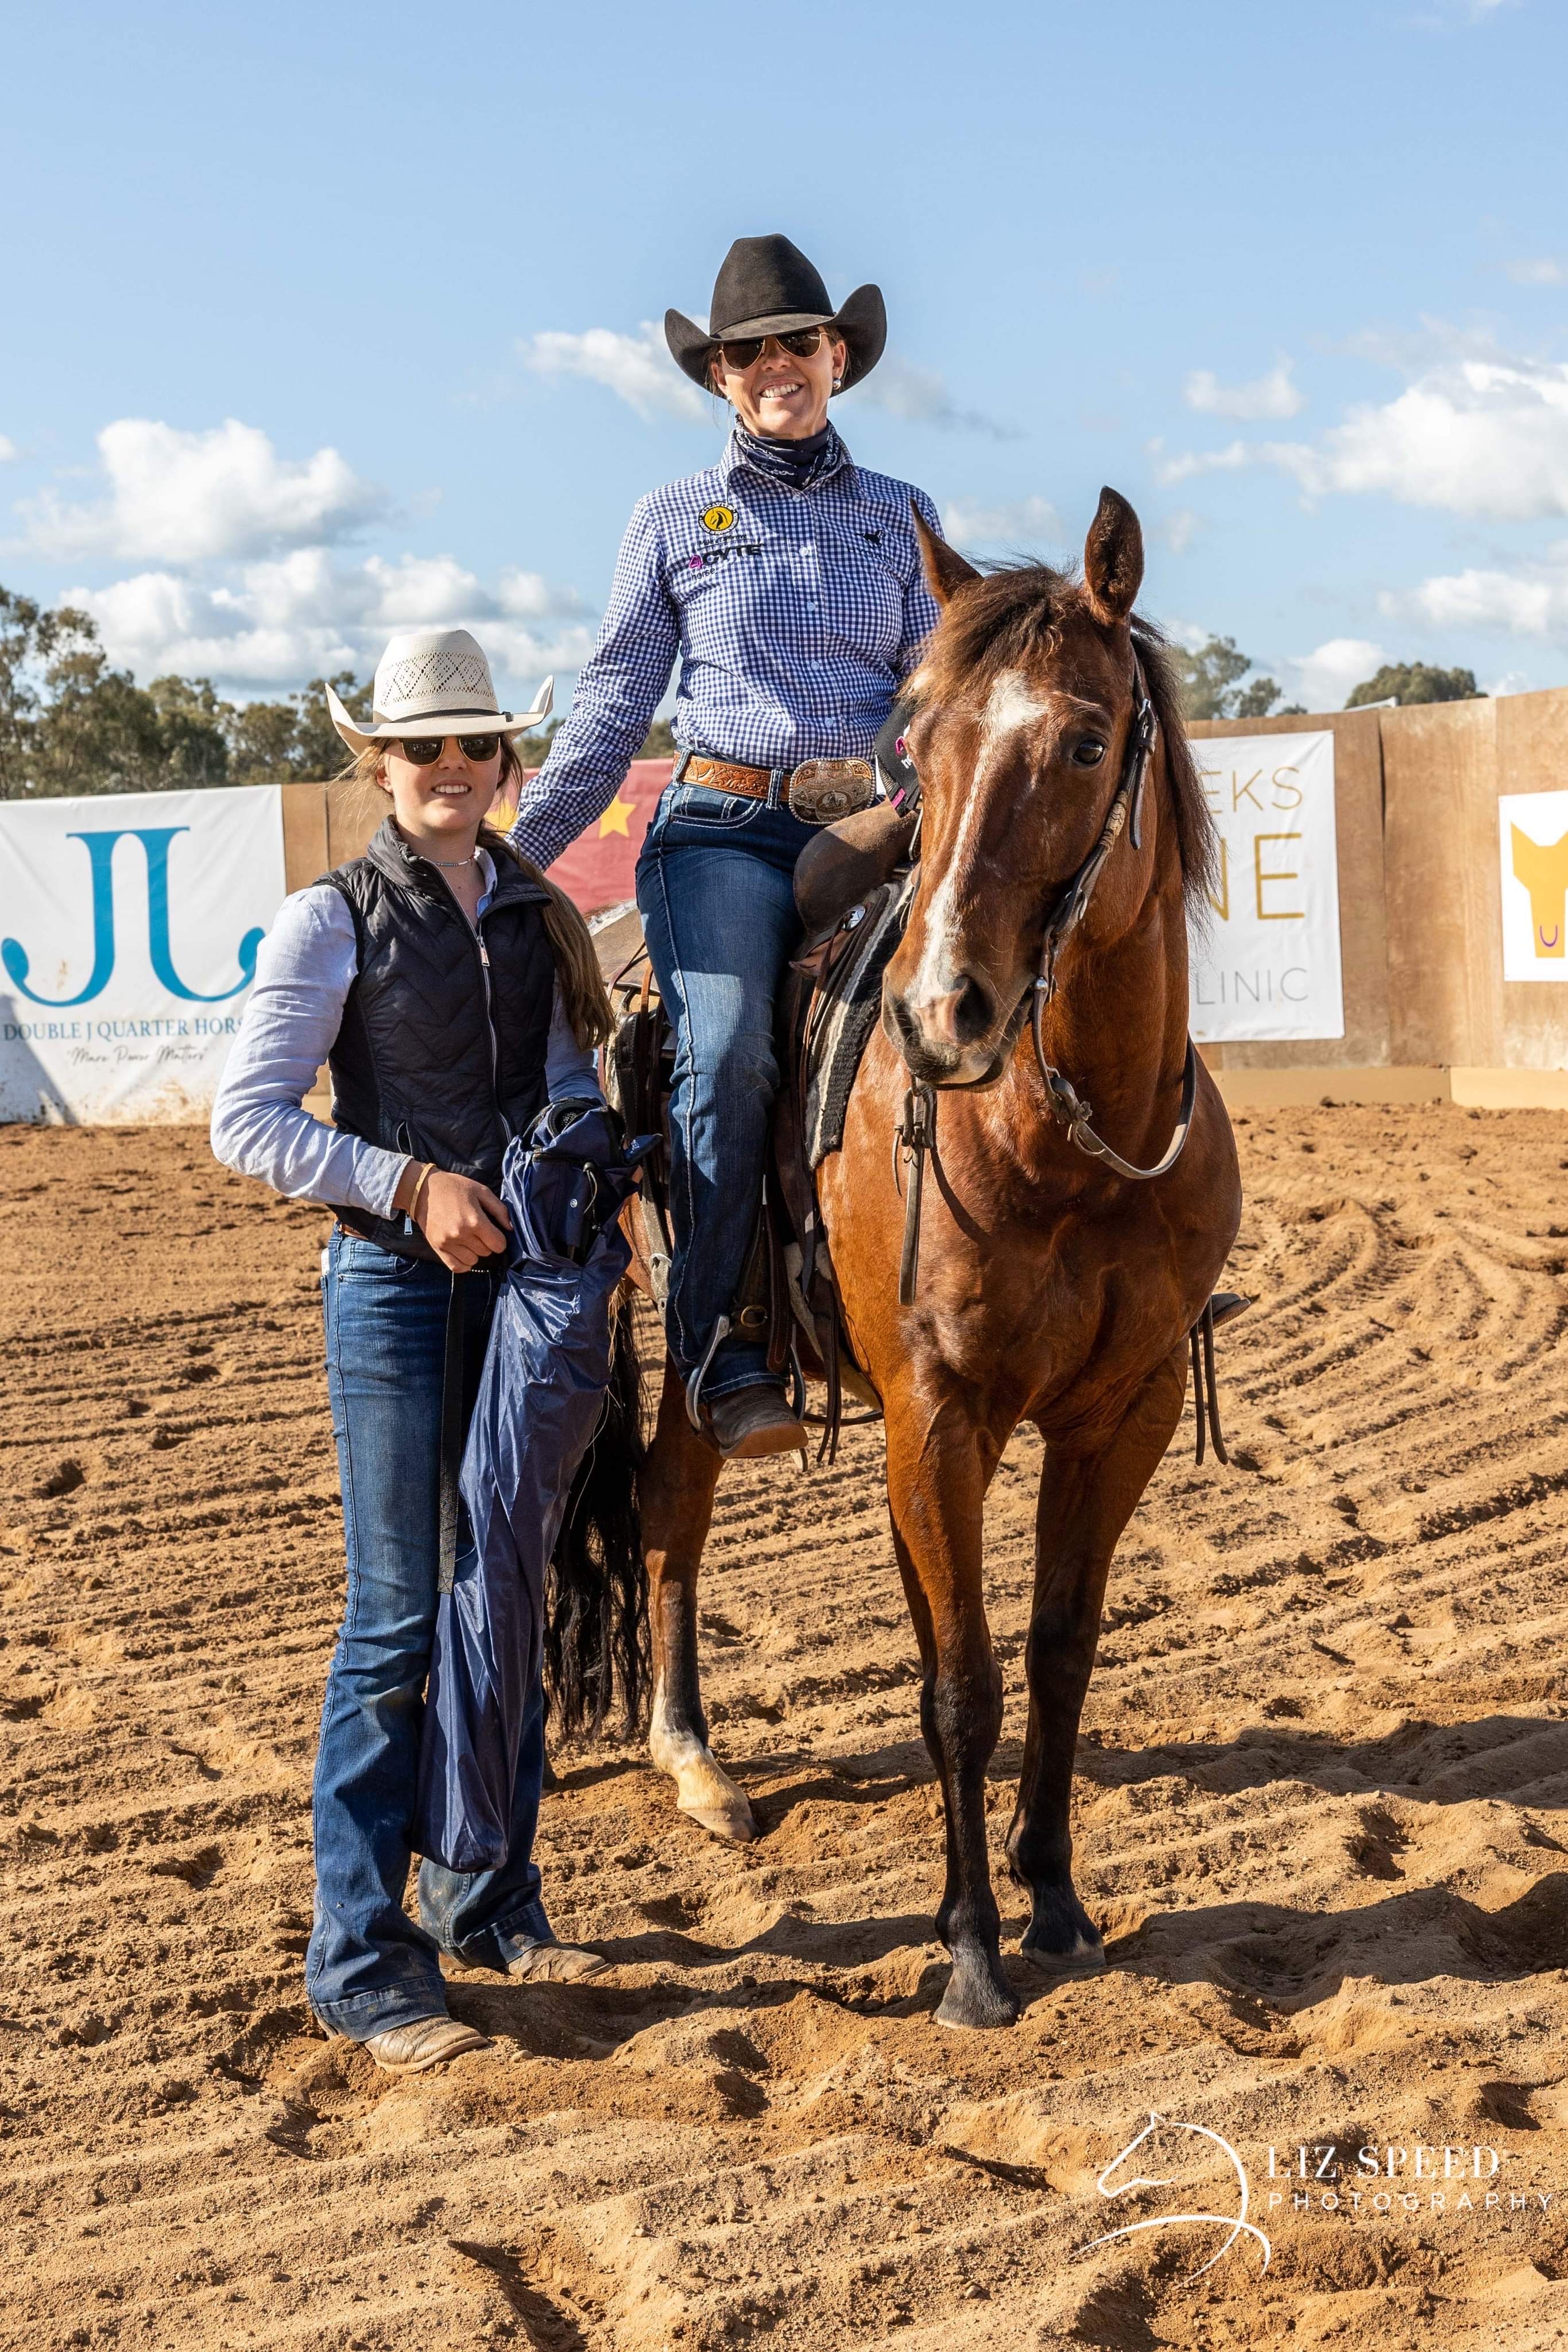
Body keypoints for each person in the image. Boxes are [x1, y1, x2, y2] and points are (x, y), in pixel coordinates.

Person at [211, 628, 614, 2075]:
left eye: (475, 743)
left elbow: (564, 1086)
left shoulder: (541, 913)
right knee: (395, 1617)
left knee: (500, 1590)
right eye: (423, 745)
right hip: (389, 1289)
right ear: (378, 764)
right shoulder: (328, 918)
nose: (451, 764)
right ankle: (362, 1961)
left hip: (523, 1292)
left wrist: (593, 1175)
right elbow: (248, 1120)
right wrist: (408, 1183)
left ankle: (488, 1900)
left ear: (507, 764)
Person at [512, 234, 942, 1461]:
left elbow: (933, 688)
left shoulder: (903, 515)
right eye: (748, 353)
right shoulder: (670, 518)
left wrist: (923, 790)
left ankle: (1118, 1267)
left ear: (838, 356)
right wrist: (514, 862)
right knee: (733, 1047)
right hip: (722, 834)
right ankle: (719, 1344)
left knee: (1020, 975)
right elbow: (612, 707)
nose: (775, 366)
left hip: (878, 828)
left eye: (797, 342)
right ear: (719, 377)